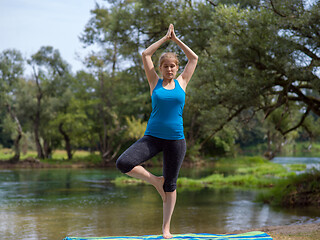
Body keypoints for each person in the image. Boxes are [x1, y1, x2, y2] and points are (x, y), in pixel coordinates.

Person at [116, 24, 198, 239]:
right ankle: (154, 181)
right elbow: (145, 54)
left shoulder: (182, 82)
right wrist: (165, 38)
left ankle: (166, 229)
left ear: (177, 68)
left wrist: (177, 39)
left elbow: (194, 58)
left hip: (176, 140)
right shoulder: (155, 82)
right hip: (152, 138)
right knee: (123, 163)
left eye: (172, 66)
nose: (169, 69)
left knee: (171, 185)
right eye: (165, 66)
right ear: (160, 68)